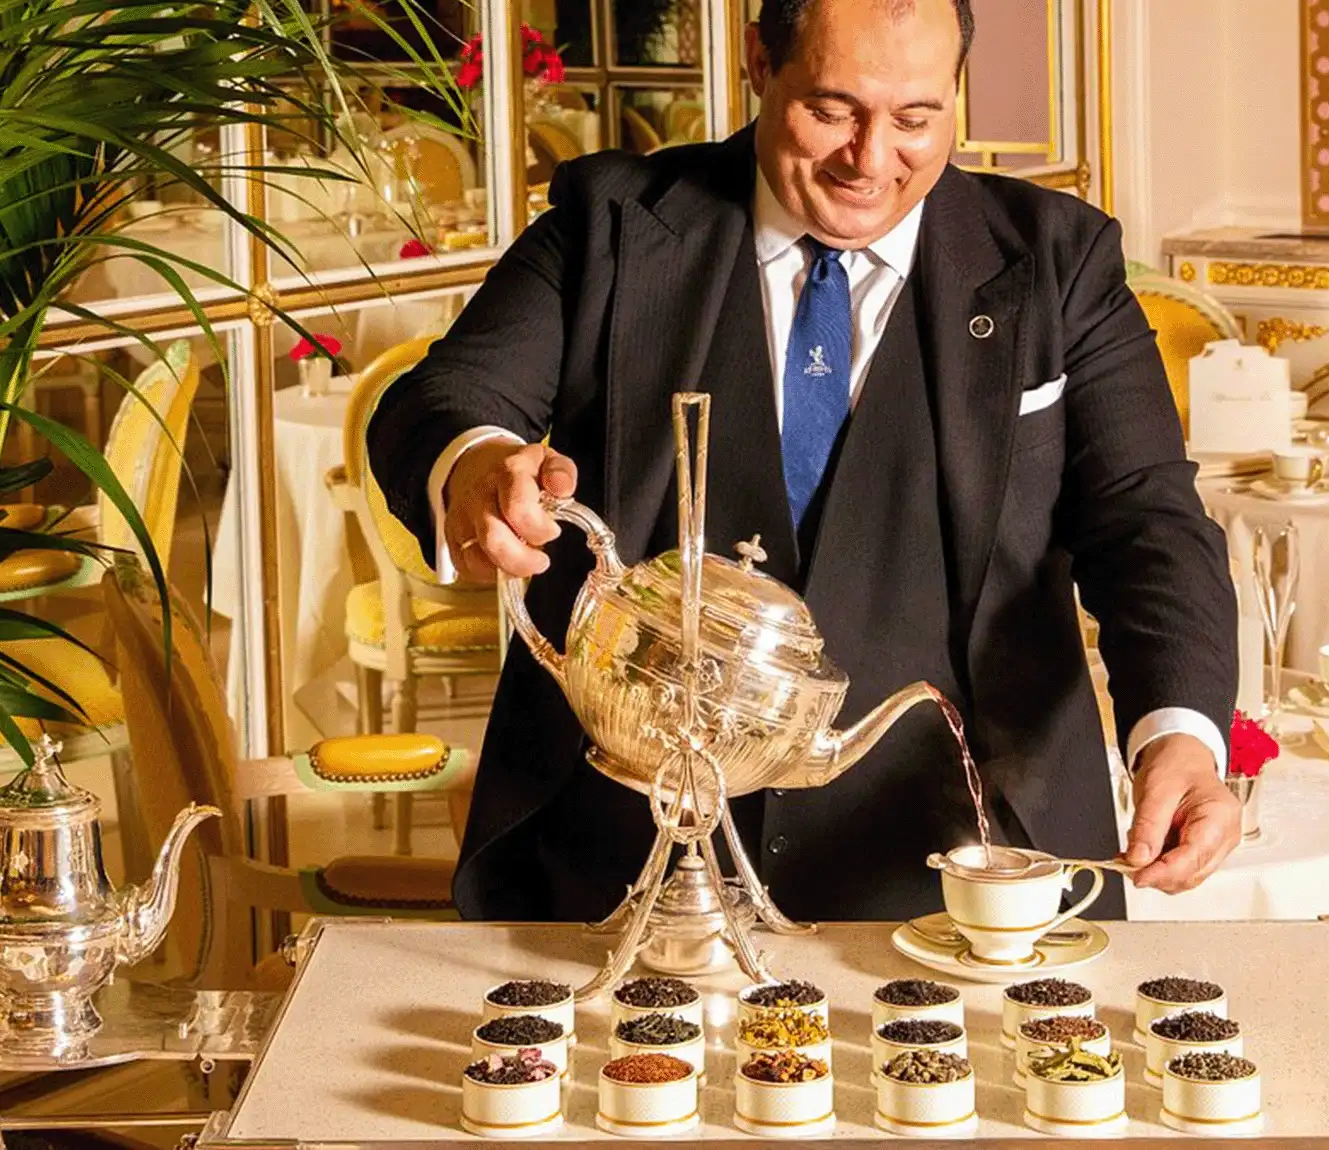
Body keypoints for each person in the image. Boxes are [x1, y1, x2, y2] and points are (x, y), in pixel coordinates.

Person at [368, 0, 1241, 923]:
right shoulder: (612, 224)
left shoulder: (1059, 262)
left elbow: (1146, 517)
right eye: (831, 109)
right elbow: (444, 402)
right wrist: (477, 464)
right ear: (758, 61)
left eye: (916, 119)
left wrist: (1179, 734)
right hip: (622, 856)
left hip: (975, 868)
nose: (870, 160)